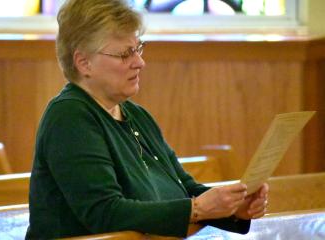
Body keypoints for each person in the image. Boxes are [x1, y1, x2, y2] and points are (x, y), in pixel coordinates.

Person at [25, 0, 268, 239]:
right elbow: (104, 213)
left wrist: (235, 207)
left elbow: (183, 188)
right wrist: (198, 209)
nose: (140, 62)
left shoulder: (137, 115)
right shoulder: (69, 117)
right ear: (84, 62)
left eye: (138, 48)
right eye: (124, 54)